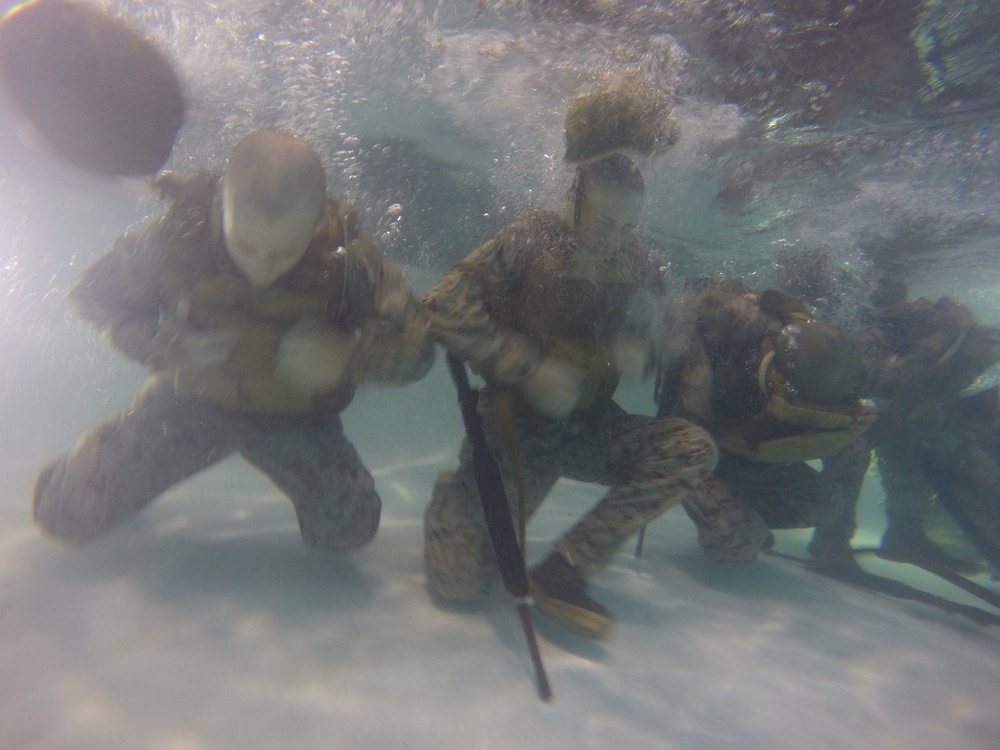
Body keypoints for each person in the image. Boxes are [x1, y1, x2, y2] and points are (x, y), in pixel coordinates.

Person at [33, 129, 434, 553]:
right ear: (222, 204)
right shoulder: (177, 236)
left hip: (296, 421)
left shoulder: (349, 257)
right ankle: (86, 467)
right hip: (189, 407)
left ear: (316, 222)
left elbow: (420, 347)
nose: (262, 268)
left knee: (348, 532)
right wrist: (163, 343)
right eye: (244, 244)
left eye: (283, 252)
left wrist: (349, 355)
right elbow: (94, 297)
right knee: (63, 516)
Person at [421, 90, 717, 640]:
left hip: (590, 428)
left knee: (691, 449)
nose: (615, 239)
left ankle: (567, 568)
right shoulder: (529, 238)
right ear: (576, 195)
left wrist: (646, 351)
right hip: (517, 428)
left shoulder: (639, 263)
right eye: (606, 221)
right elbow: (441, 306)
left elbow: (663, 334)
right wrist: (527, 366)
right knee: (461, 582)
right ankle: (456, 499)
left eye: (627, 226)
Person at [655, 278, 875, 570]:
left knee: (840, 479)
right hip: (705, 453)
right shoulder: (730, 365)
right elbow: (689, 432)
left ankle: (831, 545)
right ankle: (736, 520)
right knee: (735, 545)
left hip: (757, 456)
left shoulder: (829, 361)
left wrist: (845, 424)